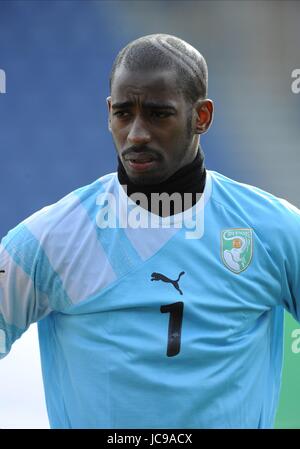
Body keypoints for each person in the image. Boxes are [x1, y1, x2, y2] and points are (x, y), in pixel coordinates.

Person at [0, 33, 299, 429]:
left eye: (158, 114)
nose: (137, 134)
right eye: (124, 113)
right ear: (109, 113)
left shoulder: (274, 231)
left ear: (202, 116)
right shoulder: (50, 239)